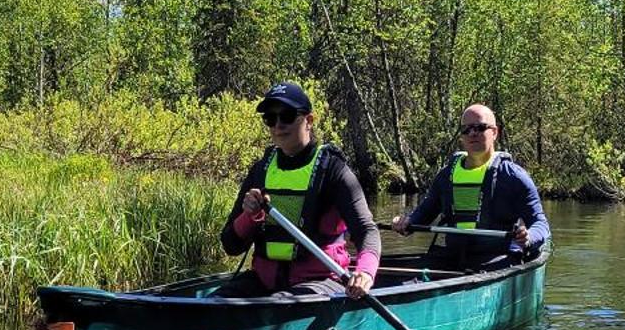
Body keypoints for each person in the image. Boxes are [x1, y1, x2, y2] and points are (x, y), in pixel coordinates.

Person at [214, 82, 382, 299]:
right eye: (270, 118)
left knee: (278, 303)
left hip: (320, 282)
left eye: (287, 115)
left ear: (309, 120)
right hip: (265, 282)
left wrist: (365, 272)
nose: (277, 125)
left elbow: (367, 230)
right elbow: (230, 246)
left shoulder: (333, 170)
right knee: (216, 300)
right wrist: (249, 217)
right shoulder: (260, 171)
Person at [390, 103, 549, 271]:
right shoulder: (446, 175)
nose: (472, 133)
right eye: (466, 129)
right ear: (462, 136)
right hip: (452, 257)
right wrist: (408, 222)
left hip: (496, 259)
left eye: (480, 127)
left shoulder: (514, 176)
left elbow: (541, 224)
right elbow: (425, 212)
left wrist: (528, 237)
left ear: (494, 132)